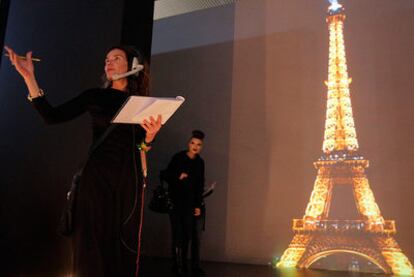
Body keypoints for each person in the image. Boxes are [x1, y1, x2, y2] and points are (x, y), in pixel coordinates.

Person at [5, 45, 162, 276]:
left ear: (133, 66)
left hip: (128, 182)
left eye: (116, 58)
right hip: (96, 180)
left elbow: (141, 147)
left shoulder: (142, 103)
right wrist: (29, 77)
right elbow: (52, 116)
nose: (108, 62)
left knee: (121, 249)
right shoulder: (95, 96)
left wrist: (149, 137)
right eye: (106, 59)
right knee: (91, 247)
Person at [162, 130, 206, 276]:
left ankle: (185, 266)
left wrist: (198, 205)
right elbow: (164, 174)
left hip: (190, 205)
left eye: (199, 144)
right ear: (188, 143)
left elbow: (200, 185)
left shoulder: (200, 163)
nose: (195, 146)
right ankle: (178, 266)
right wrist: (178, 176)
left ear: (201, 147)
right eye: (193, 143)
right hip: (176, 203)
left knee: (188, 235)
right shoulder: (179, 158)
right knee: (178, 234)